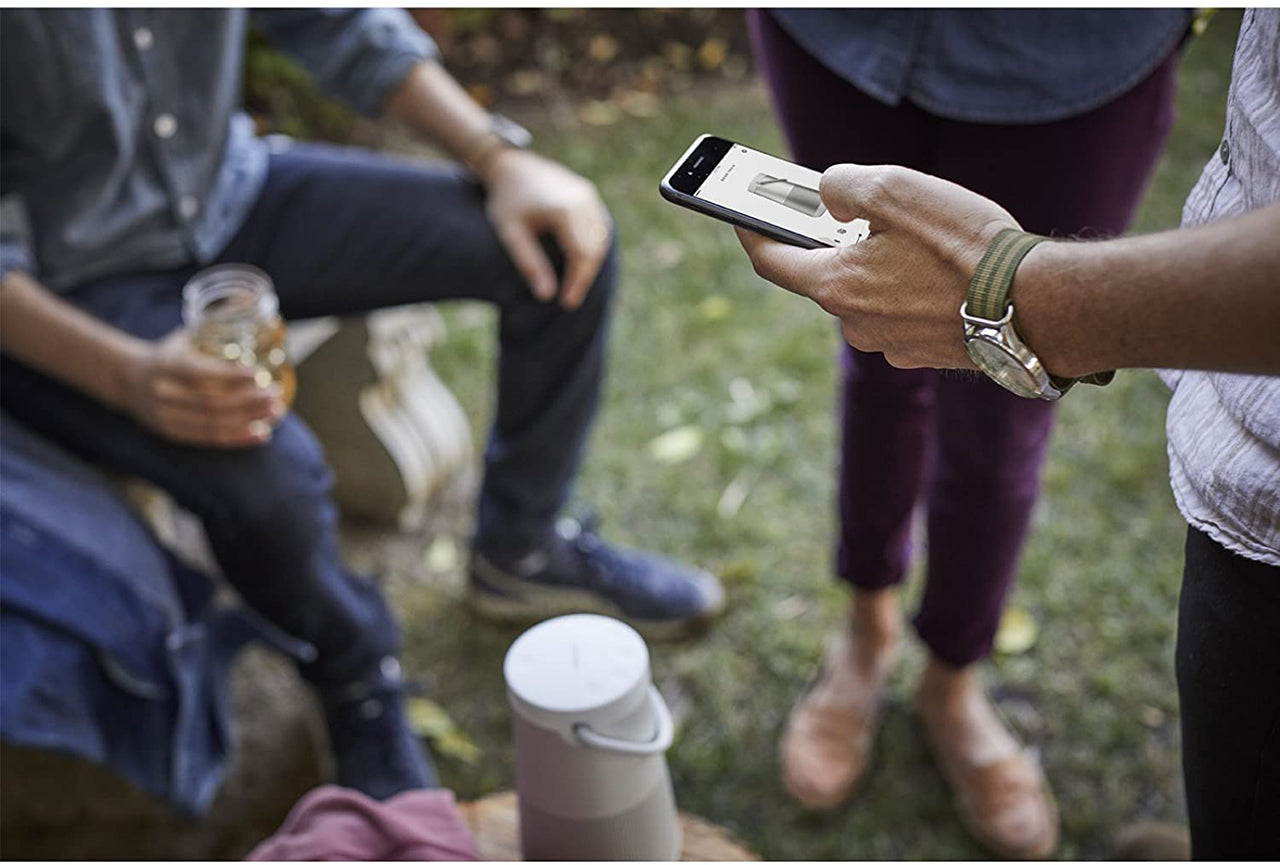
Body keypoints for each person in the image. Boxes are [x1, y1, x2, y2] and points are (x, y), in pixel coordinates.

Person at [0, 9, 724, 801]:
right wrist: (129, 376)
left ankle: (521, 547)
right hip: (57, 288)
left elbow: (335, 21)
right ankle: (354, 674)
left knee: (561, 242)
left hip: (230, 197)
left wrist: (497, 157)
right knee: (272, 486)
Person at [738, 9, 1279, 859]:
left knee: (1005, 405)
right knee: (872, 350)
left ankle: (952, 677)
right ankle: (866, 628)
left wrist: (1026, 297)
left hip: (1071, 59)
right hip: (838, 35)